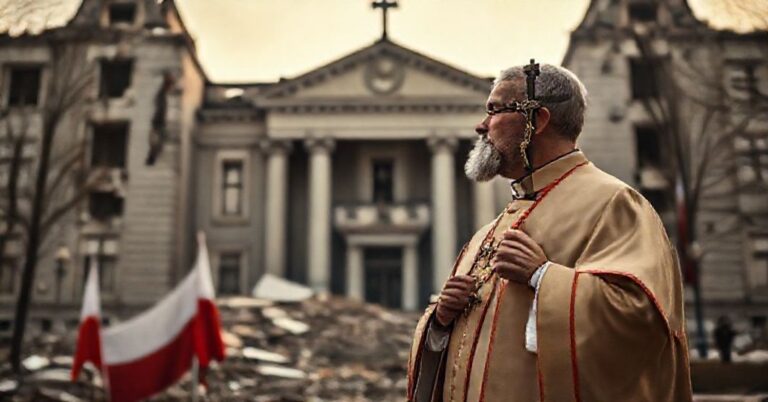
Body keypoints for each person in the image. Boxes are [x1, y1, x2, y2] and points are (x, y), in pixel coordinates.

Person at [406, 63, 693, 402]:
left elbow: (644, 321)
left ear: (536, 121)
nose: (481, 126)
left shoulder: (614, 203)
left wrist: (543, 277)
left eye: (494, 110)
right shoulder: (495, 225)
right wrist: (441, 322)